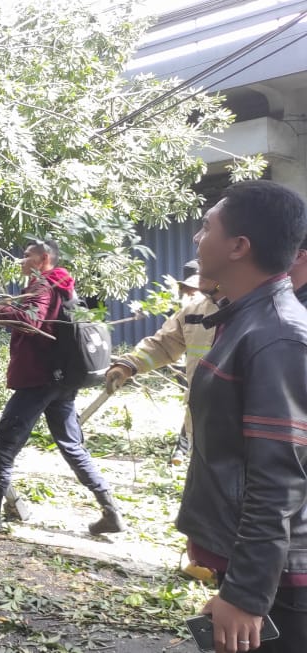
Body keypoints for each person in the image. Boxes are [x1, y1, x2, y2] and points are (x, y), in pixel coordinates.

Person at [179, 179, 307, 653]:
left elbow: (277, 480)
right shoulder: (242, 320)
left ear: (239, 246)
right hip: (251, 561)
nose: (197, 237)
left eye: (206, 226)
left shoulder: (276, 335)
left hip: (281, 580)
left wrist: (248, 595)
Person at [0, 240, 124, 535]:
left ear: (44, 258)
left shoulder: (43, 285)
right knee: (72, 445)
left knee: (4, 444)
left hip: (38, 379)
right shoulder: (62, 286)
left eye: (27, 255)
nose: (22, 261)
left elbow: (32, 318)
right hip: (61, 379)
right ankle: (110, 510)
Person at [105, 261, 221, 467]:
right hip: (200, 413)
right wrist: (128, 365)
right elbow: (164, 345)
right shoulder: (194, 311)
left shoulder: (253, 308)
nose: (201, 269)